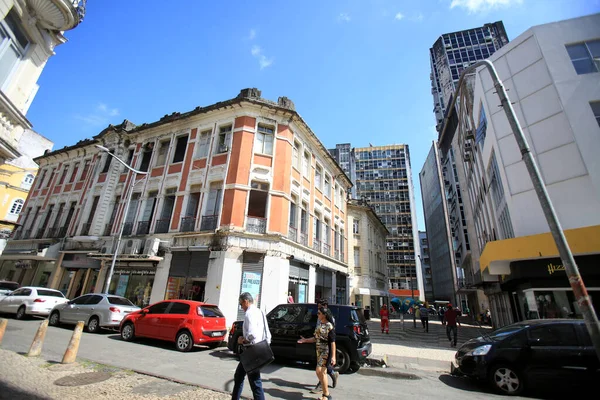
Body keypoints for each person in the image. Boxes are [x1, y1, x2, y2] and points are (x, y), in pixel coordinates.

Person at [231, 292, 271, 400]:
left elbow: (252, 334)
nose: (241, 307)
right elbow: (267, 332)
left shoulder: (249, 313)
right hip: (258, 348)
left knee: (254, 381)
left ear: (246, 301)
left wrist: (242, 340)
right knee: (240, 376)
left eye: (241, 304)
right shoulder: (260, 311)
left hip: (251, 350)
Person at [298, 307, 336, 400]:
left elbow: (333, 342)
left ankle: (327, 395)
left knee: (320, 371)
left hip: (326, 352)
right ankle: (325, 394)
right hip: (319, 351)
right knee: (320, 372)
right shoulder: (320, 326)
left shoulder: (329, 326)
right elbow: (315, 338)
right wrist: (305, 340)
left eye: (319, 313)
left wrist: (333, 356)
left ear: (324, 315)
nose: (317, 315)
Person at [309, 299, 338, 394]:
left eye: (319, 307)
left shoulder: (329, 319)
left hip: (326, 346)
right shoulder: (320, 316)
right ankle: (333, 374)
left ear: (325, 306)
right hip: (319, 344)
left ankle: (323, 389)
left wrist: (333, 355)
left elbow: (331, 335)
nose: (318, 310)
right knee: (322, 366)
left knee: (321, 369)